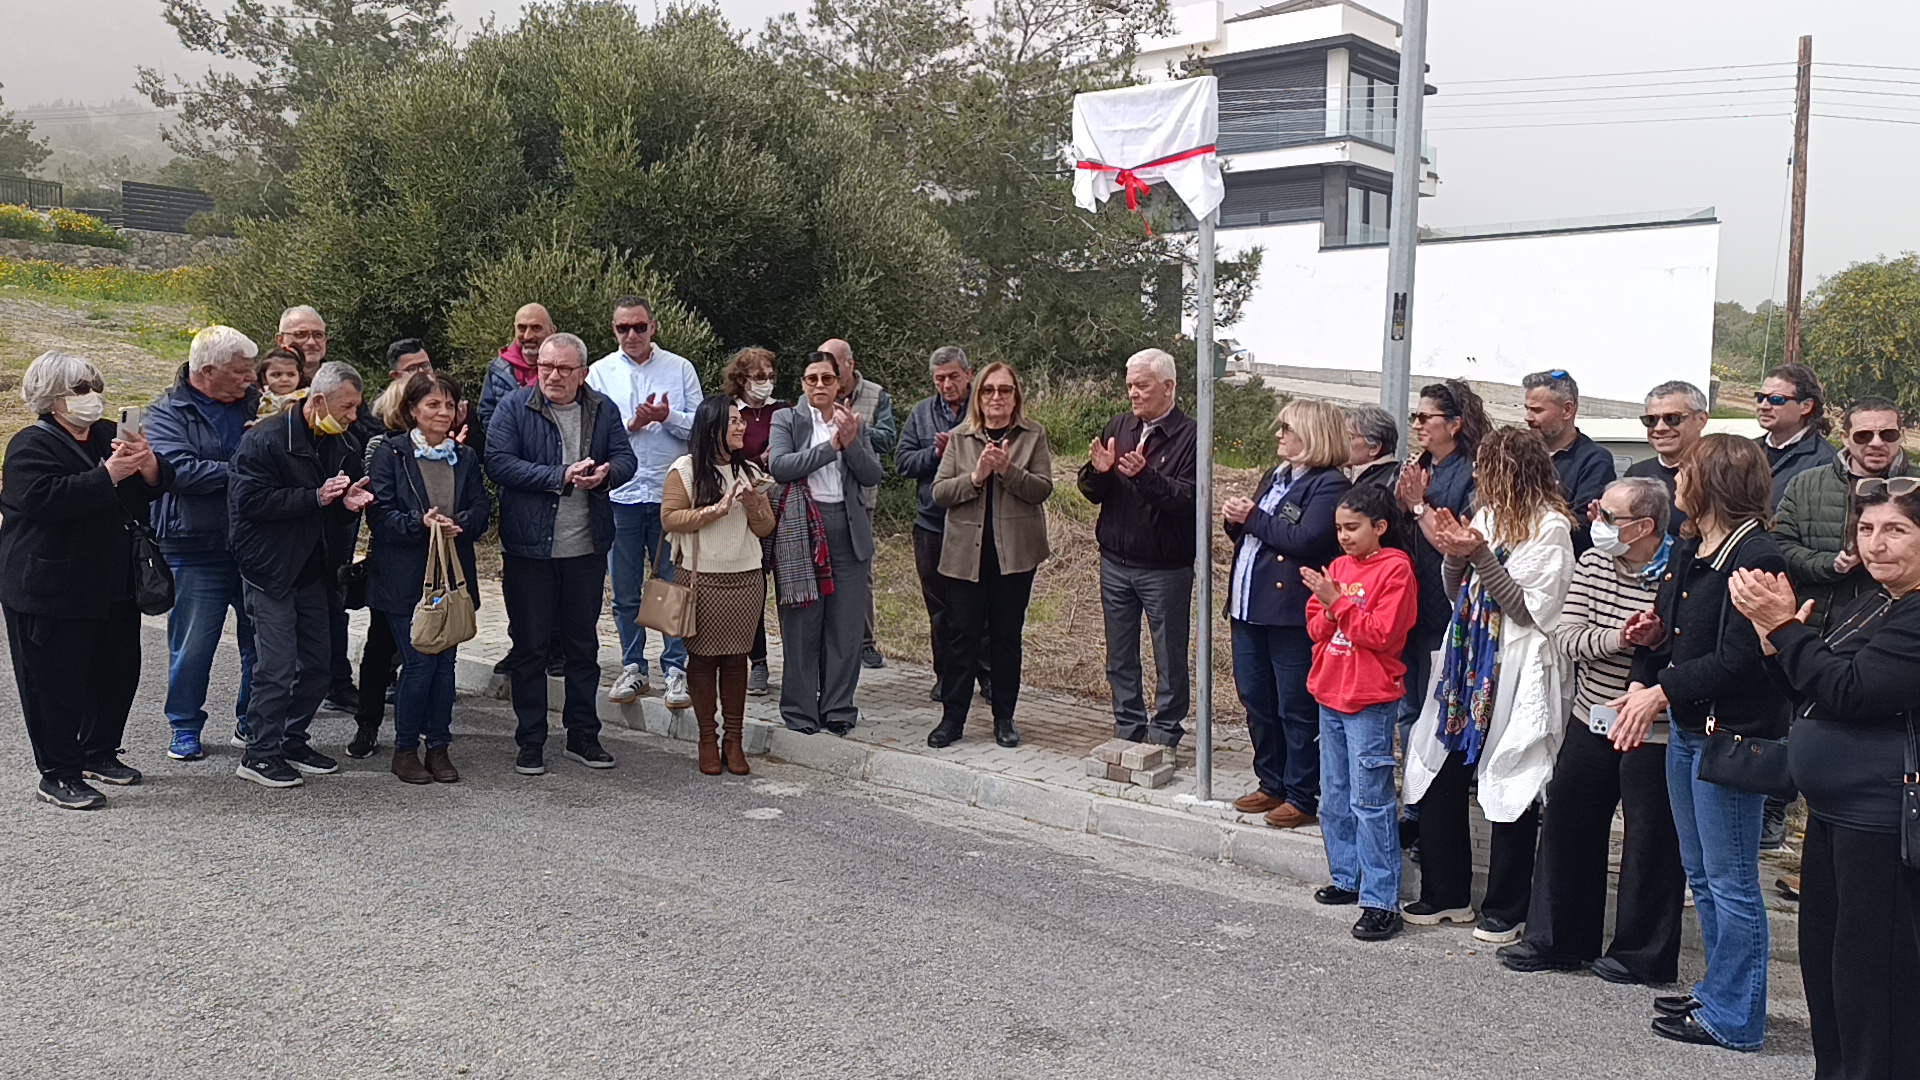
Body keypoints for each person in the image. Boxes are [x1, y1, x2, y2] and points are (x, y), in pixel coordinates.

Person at [1733, 479, 1920, 1079]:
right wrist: (1774, 640)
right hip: (1835, 813)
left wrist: (1786, 631)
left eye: (1895, 530)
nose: (1876, 544)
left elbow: (1852, 690)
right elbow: (1812, 690)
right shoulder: (1875, 601)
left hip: (1881, 823)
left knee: (1873, 984)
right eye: (1866, 529)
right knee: (1828, 972)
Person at [1614, 434, 1789, 1051]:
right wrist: (1652, 643)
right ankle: (1719, 991)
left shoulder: (1757, 555)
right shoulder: (1694, 544)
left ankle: (1738, 1017)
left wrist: (1659, 692)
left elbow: (1742, 661)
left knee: (1732, 880)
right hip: (1692, 731)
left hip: (1731, 737)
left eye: (1686, 472)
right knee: (1704, 875)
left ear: (1712, 482)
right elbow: (1678, 632)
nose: (1676, 481)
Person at [1499, 477, 1685, 986]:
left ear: (1644, 527)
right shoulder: (1594, 561)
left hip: (1653, 727)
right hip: (1591, 714)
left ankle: (1640, 955)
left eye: (1608, 515)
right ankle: (1557, 940)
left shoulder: (1679, 566)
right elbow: (1567, 638)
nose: (1595, 521)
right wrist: (1620, 637)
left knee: (1650, 843)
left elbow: (1683, 646)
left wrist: (1656, 639)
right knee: (1567, 824)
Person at [1403, 426, 1576, 943]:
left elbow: (1527, 609)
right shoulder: (1488, 516)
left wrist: (1477, 555)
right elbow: (1457, 590)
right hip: (1469, 659)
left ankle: (1507, 907)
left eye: (1486, 466)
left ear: (1511, 472)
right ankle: (1446, 894)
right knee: (1440, 768)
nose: (1477, 474)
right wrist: (1455, 554)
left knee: (1511, 778)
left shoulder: (1551, 528)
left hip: (1516, 663)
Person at [0, 351, 172, 809]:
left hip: (113, 581)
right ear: (50, 397)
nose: (92, 396)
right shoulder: (29, 445)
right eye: (79, 389)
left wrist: (148, 464)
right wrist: (107, 475)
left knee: (117, 673)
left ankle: (99, 751)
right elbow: (41, 500)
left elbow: (148, 489)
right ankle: (58, 774)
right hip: (49, 586)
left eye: (95, 387)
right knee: (54, 684)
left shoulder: (107, 434)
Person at [486, 333, 637, 776]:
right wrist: (560, 475)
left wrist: (607, 474)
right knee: (530, 648)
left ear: (583, 373)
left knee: (582, 647)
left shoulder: (603, 409)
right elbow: (498, 463)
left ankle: (583, 735)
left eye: (563, 368)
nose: (552, 375)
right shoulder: (515, 406)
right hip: (529, 549)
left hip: (586, 547)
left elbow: (626, 459)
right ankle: (531, 740)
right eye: (546, 367)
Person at [1768, 397, 1908, 856]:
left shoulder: (1914, 490)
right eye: (1864, 434)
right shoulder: (1809, 483)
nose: (1876, 443)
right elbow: (1781, 543)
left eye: (1887, 434)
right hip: (1824, 621)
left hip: (1876, 803)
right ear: (1844, 438)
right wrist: (1827, 564)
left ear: (1901, 435)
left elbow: (1855, 692)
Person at [228, 360, 374, 788]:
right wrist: (314, 497)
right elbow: (249, 503)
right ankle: (259, 753)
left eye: (356, 408)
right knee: (275, 666)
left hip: (315, 569)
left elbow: (334, 509)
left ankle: (291, 739)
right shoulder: (265, 439)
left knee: (318, 664)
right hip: (269, 569)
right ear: (319, 400)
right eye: (346, 407)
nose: (353, 417)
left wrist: (347, 506)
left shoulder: (344, 443)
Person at [1223, 399, 1352, 829]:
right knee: (1256, 700)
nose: (1279, 435)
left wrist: (1253, 517)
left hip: (1289, 614)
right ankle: (1271, 782)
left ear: (1313, 434)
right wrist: (1236, 521)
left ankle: (1302, 794)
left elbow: (1306, 539)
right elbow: (1259, 532)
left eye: (1288, 429)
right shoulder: (1276, 475)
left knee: (1294, 706)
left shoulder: (1329, 484)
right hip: (1249, 607)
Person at [1300, 483, 1418, 942]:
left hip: (1368, 698)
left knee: (1370, 802)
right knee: (1334, 796)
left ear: (1380, 527)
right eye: (1338, 529)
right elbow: (1314, 626)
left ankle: (1382, 901)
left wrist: (1338, 603)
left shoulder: (1396, 569)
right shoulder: (1338, 568)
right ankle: (1347, 876)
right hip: (1330, 691)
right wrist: (1331, 608)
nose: (1344, 537)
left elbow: (1382, 633)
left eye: (1353, 528)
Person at [365, 371, 491, 784]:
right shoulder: (392, 452)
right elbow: (380, 515)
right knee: (419, 663)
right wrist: (420, 523)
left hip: (452, 577)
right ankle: (405, 750)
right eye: (432, 404)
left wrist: (460, 523)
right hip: (404, 578)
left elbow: (482, 509)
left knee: (445, 666)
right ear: (412, 410)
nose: (442, 412)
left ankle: (438, 747)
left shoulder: (464, 456)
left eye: (449, 405)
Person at [148, 325, 262, 762]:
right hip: (193, 545)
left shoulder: (259, 402)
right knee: (194, 645)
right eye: (241, 371)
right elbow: (179, 471)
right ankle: (184, 725)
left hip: (254, 543)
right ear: (208, 371)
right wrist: (249, 472)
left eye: (251, 370)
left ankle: (251, 721)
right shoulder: (166, 412)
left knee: (262, 642)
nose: (250, 378)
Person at [927, 362, 1053, 749]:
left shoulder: (1033, 435)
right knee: (961, 637)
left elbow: (1042, 489)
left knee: (1005, 638)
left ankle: (1004, 717)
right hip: (966, 554)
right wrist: (976, 476)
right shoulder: (961, 436)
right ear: (978, 397)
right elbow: (939, 493)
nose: (996, 397)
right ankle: (952, 719)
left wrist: (1008, 470)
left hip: (1014, 555)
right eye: (988, 390)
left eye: (1004, 390)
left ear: (1016, 396)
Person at [588, 295, 703, 709]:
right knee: (624, 590)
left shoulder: (680, 368)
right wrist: (632, 423)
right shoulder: (599, 372)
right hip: (621, 494)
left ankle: (675, 669)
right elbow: (592, 434)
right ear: (614, 330)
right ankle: (634, 666)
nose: (632, 334)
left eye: (640, 326)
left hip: (669, 494)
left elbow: (701, 428)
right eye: (624, 328)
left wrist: (667, 417)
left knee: (671, 587)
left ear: (654, 327)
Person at [1079, 348, 1197, 748]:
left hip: (1165, 568)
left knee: (1169, 655)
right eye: (1130, 385)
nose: (1133, 393)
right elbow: (1092, 492)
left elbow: (1188, 500)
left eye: (1142, 385)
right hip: (1115, 562)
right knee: (1120, 652)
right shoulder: (1120, 425)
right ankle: (1128, 726)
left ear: (1169, 387)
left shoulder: (1192, 436)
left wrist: (1146, 476)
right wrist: (1098, 472)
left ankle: (1165, 731)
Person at [767, 353, 884, 735]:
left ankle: (837, 708)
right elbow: (780, 466)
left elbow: (872, 474)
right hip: (802, 530)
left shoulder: (852, 421)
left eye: (827, 379)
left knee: (845, 627)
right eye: (812, 379)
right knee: (802, 624)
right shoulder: (787, 419)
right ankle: (800, 710)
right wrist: (830, 447)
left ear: (839, 383)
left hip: (847, 529)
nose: (819, 385)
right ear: (803, 383)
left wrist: (850, 443)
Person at [1394, 379, 1487, 853]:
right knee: (1407, 710)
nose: (1416, 425)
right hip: (1406, 605)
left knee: (1433, 715)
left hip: (1444, 608)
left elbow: (1456, 544)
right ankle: (1412, 806)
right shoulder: (1419, 466)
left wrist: (1417, 505)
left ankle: (1426, 815)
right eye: (1414, 417)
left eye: (1424, 417)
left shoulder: (1469, 473)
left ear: (1454, 424)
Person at [661, 397, 776, 776]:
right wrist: (716, 510)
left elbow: (765, 528)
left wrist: (755, 504)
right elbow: (670, 519)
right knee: (703, 659)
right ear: (712, 427)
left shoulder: (750, 471)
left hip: (746, 578)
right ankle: (707, 739)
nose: (742, 427)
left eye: (742, 421)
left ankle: (734, 740)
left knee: (737, 659)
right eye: (734, 421)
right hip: (701, 579)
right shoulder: (686, 469)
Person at [342, 337, 445, 755]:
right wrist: (419, 521)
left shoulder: (448, 444)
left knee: (432, 649)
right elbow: (379, 510)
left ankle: (427, 729)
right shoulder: (381, 445)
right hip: (394, 563)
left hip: (438, 562)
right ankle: (368, 725)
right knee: (381, 646)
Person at [897, 346, 989, 706]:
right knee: (940, 606)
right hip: (932, 523)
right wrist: (935, 454)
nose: (947, 385)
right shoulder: (922, 413)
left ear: (969, 374)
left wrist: (959, 451)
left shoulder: (986, 407)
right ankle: (947, 676)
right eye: (939, 379)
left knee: (982, 603)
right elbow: (903, 462)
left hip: (975, 522)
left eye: (953, 377)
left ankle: (988, 676)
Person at [816, 338, 898, 670]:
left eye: (834, 366)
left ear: (851, 364)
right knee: (821, 568)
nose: (829, 374)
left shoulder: (877, 395)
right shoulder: (816, 391)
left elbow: (889, 439)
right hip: (820, 498)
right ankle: (826, 640)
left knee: (860, 571)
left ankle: (865, 643)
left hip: (861, 498)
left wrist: (855, 429)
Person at [719, 346, 787, 697]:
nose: (766, 382)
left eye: (771, 376)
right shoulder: (731, 413)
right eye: (760, 376)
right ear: (741, 378)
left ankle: (799, 665)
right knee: (753, 588)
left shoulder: (785, 411)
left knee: (788, 589)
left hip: (784, 505)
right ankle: (757, 662)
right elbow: (722, 454)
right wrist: (758, 460)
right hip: (745, 506)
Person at [1522, 369, 1616, 554]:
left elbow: (1582, 526)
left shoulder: (1594, 460)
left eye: (1537, 410)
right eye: (1527, 409)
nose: (1528, 418)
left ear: (1567, 410)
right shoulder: (1521, 454)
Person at [1625, 380, 1709, 537]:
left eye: (1672, 418)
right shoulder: (1636, 474)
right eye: (1651, 420)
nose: (1660, 428)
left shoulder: (1719, 475)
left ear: (1701, 420)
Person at [1753, 362, 1836, 507]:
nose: (1763, 406)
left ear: (1806, 406)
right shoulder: (1748, 450)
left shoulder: (1825, 462)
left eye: (1776, 399)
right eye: (1761, 397)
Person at [479, 302, 553, 430]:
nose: (528, 336)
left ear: (552, 331)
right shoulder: (498, 369)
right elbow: (486, 414)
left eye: (536, 328)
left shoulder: (564, 369)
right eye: (522, 328)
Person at [1343, 404, 1401, 494]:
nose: (1342, 442)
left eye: (1350, 437)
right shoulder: (1354, 475)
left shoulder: (1385, 486)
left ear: (1374, 447)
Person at [276, 305, 328, 378]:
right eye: (300, 335)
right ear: (281, 340)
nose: (311, 342)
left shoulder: (341, 380)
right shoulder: (264, 381)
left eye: (318, 335)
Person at [255, 347, 306, 417]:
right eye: (277, 375)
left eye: (291, 374)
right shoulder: (259, 398)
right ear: (264, 377)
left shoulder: (306, 396)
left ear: (299, 376)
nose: (285, 379)